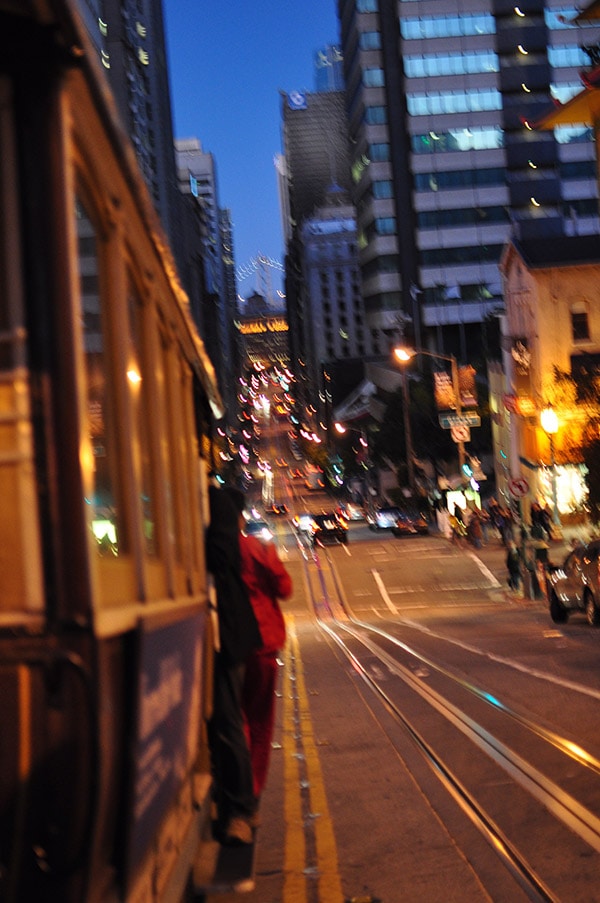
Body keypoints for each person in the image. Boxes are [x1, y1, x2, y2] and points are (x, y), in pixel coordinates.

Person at [227, 488, 293, 826]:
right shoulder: (256, 548)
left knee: (235, 722)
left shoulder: (213, 550)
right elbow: (284, 588)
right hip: (263, 643)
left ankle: (237, 793)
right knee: (260, 721)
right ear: (241, 516)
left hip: (229, 644)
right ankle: (251, 792)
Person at [205, 486, 263, 845]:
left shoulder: (216, 502)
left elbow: (222, 556)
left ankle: (241, 811)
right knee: (218, 725)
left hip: (225, 632)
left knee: (227, 721)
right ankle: (230, 804)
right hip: (213, 632)